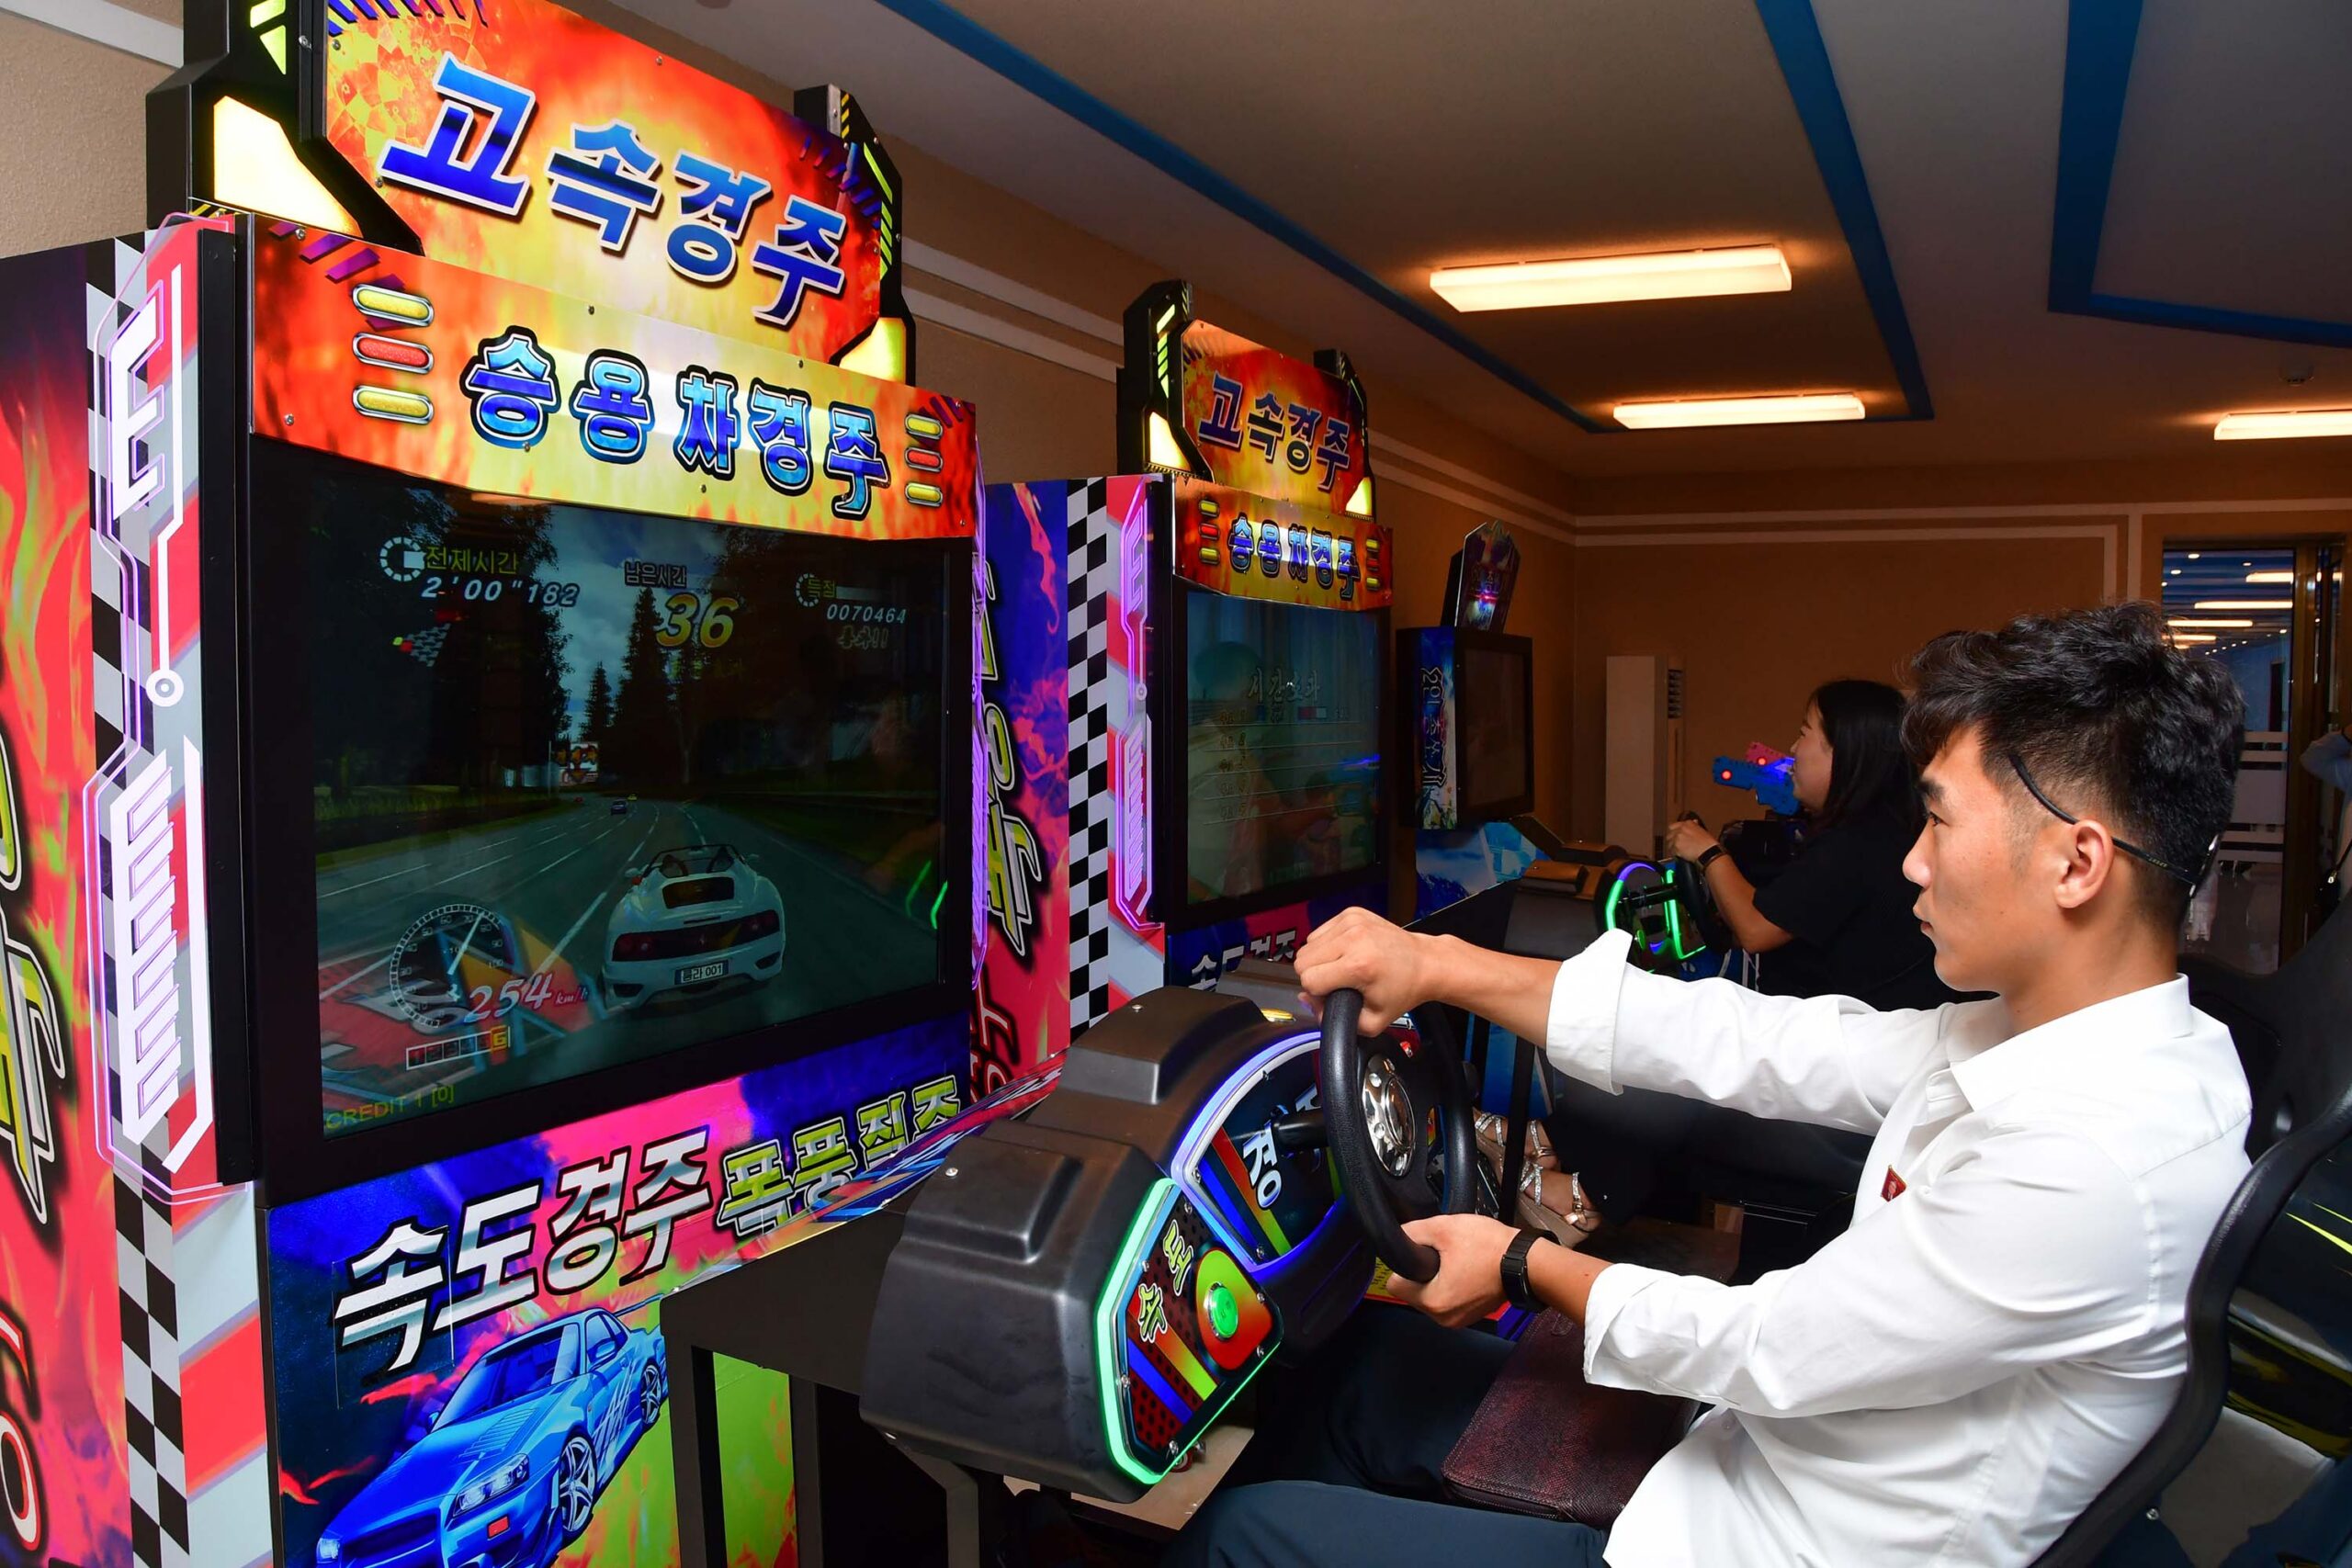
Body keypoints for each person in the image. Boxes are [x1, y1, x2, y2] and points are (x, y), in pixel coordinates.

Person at [1169, 603, 2250, 1568]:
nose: (1912, 862)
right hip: (1748, 1462)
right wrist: (1439, 963)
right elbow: (1762, 1041)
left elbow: (1765, 1346)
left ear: (2076, 862)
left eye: (1939, 822)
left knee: (1242, 1536)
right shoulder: (2056, 1040)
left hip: (1752, 1540)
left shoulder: (2099, 1158)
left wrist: (1515, 1260)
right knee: (1362, 1368)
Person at [1664, 679, 1962, 1010]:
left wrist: (1708, 853)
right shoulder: (1891, 828)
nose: (1793, 749)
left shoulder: (1856, 843)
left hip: (1846, 1027)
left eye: (1804, 733)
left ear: (1842, 752)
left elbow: (1755, 930)